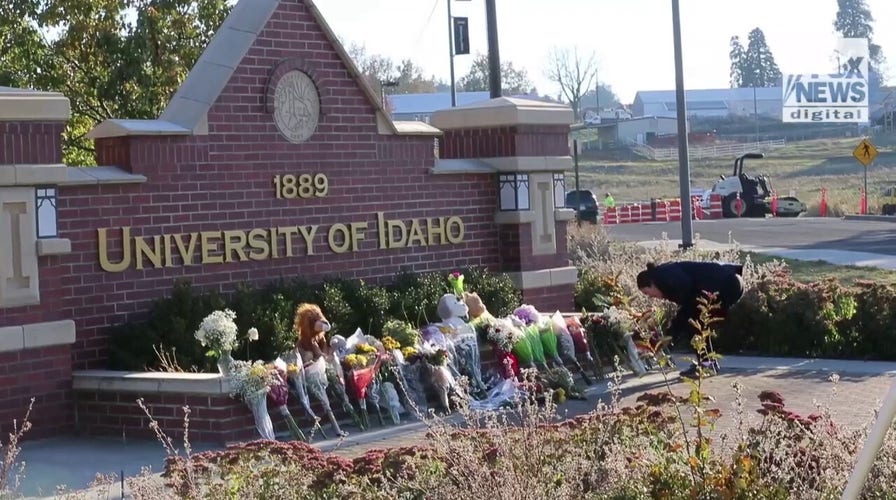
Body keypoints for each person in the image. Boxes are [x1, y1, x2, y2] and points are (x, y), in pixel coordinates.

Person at [636, 260, 744, 378]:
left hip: (726, 285)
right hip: (730, 282)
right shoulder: (663, 277)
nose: (650, 297)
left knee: (694, 324)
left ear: (651, 283)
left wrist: (669, 336)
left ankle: (707, 364)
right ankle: (707, 363)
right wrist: (670, 334)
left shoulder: (667, 278)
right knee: (699, 324)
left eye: (647, 292)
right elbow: (689, 304)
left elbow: (689, 305)